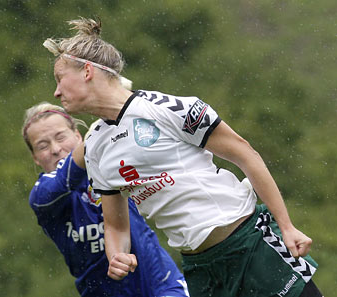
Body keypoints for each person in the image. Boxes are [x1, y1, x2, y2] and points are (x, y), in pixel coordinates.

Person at [43, 17, 323, 297]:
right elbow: (116, 224)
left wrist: (287, 227)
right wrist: (117, 254)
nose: (56, 92)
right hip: (200, 267)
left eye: (59, 78)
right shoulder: (94, 146)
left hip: (248, 245)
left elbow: (246, 155)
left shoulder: (167, 108)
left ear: (88, 71)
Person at [22, 101, 190, 297]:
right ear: (35, 157)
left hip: (162, 285)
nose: (55, 148)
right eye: (43, 145)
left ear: (77, 135)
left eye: (61, 137)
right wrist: (97, 138)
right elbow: (65, 177)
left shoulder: (112, 164)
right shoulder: (42, 196)